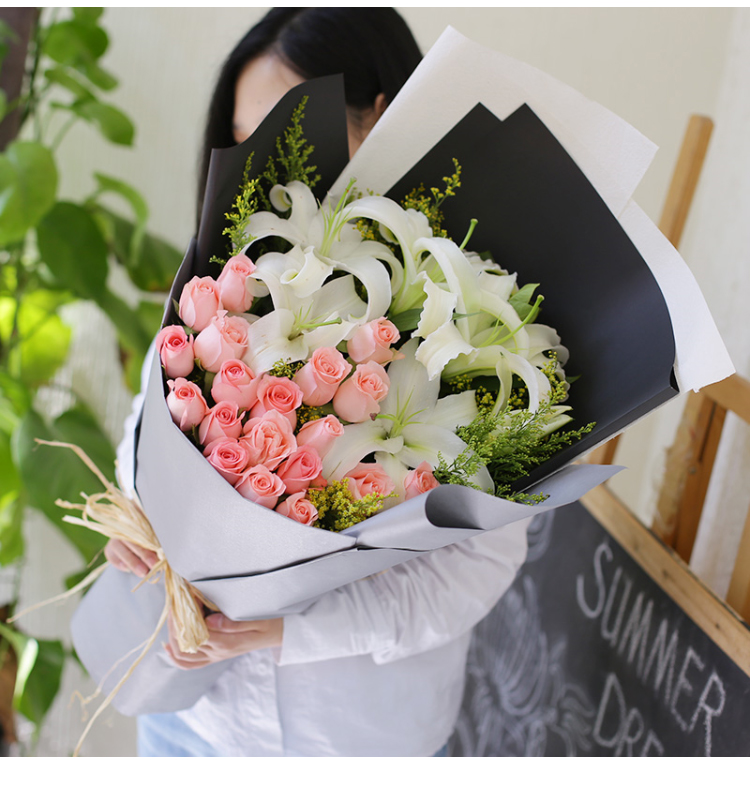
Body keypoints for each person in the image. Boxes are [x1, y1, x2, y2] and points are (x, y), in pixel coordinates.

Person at [106, 7, 531, 757]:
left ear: (383, 116)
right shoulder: (234, 271)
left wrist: (293, 631)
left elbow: (477, 565)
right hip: (190, 724)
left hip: (353, 742)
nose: (259, 165)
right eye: (241, 137)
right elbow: (150, 427)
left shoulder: (465, 318)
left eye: (284, 130)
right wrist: (140, 524)